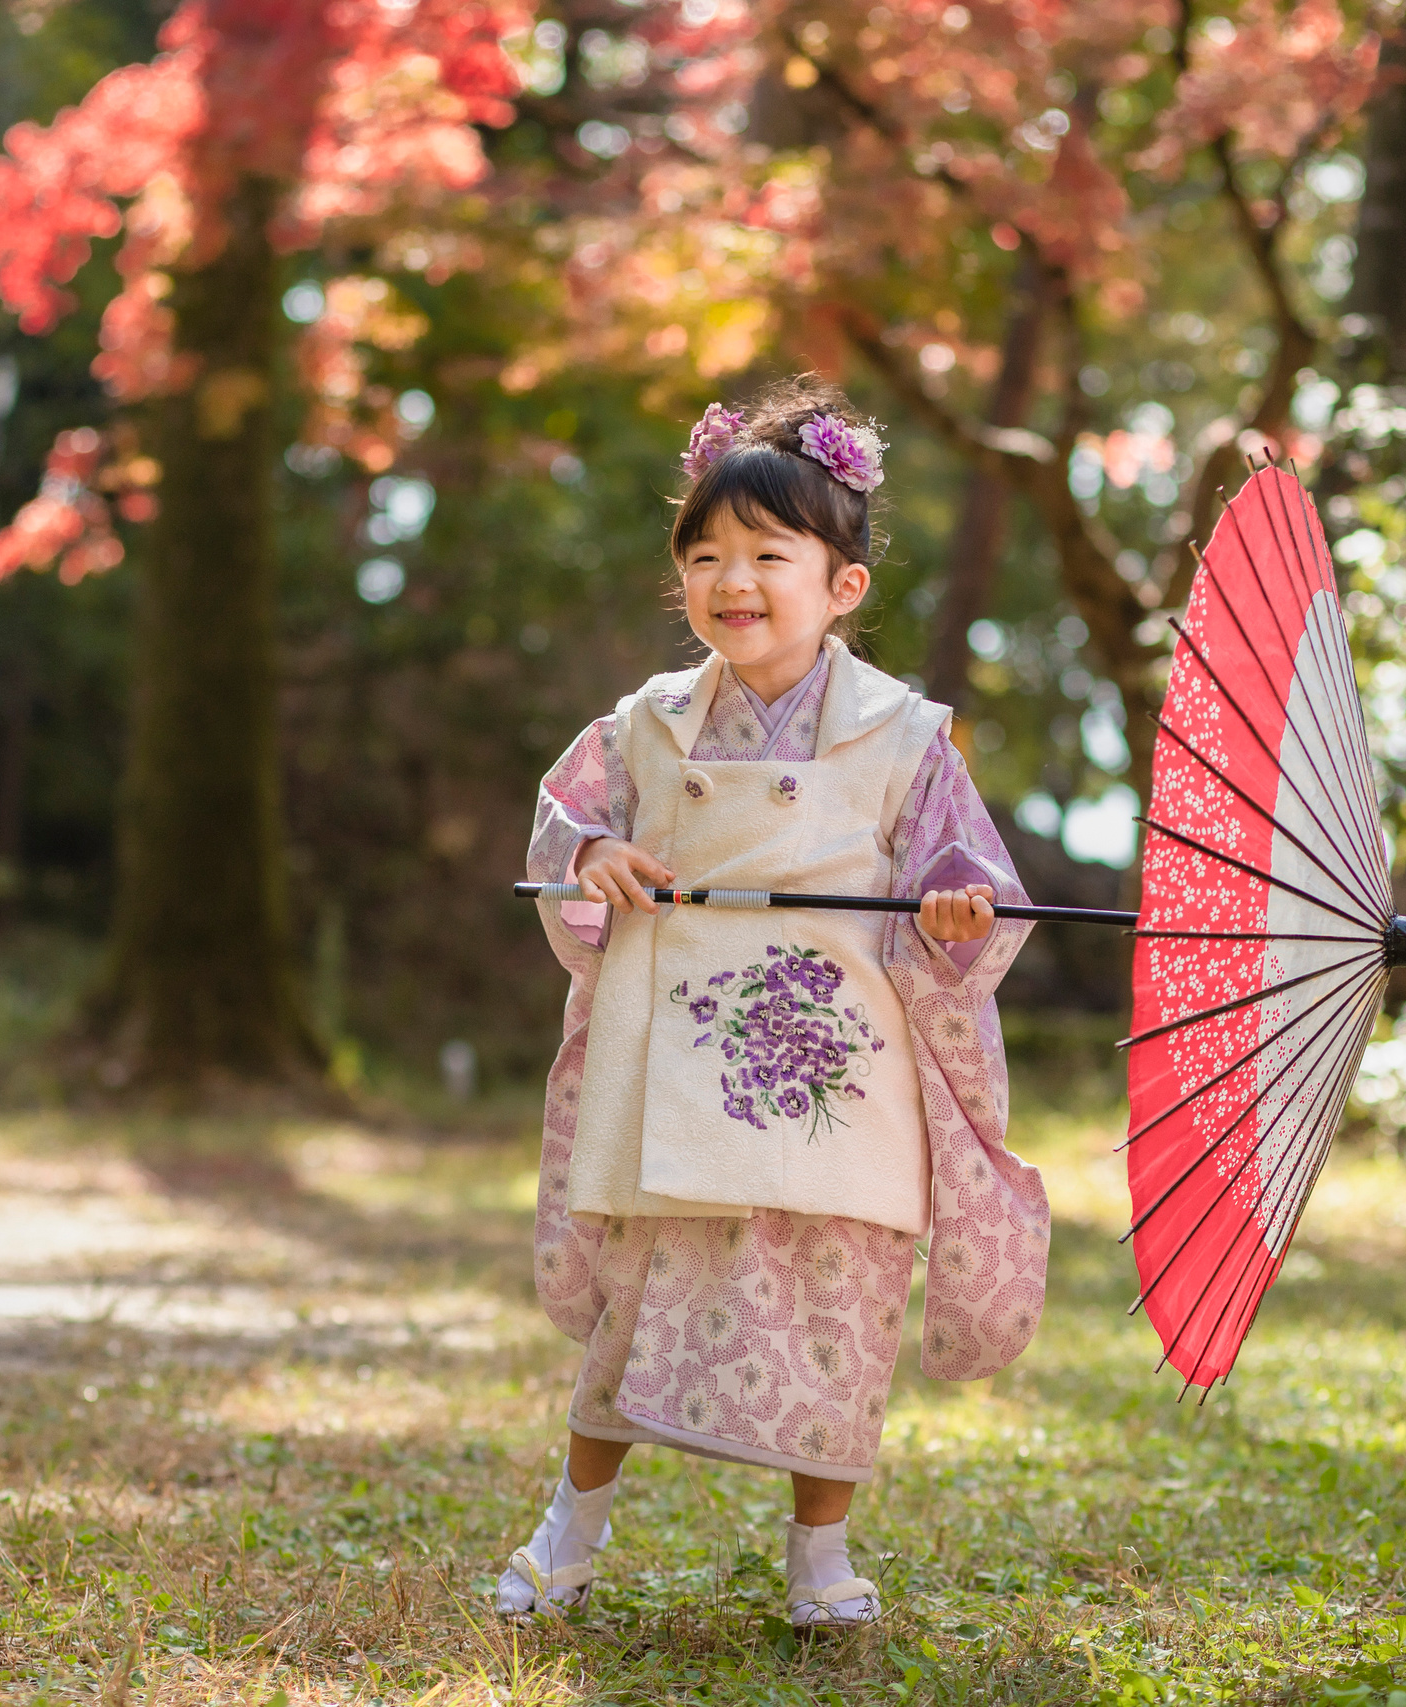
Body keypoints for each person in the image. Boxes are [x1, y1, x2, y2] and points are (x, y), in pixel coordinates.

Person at [503, 377, 1053, 1633]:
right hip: (677, 1053)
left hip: (829, 1062)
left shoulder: (904, 735)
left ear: (841, 584)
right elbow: (567, 826)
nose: (730, 580)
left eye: (766, 554)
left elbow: (964, 873)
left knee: (837, 1302)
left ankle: (821, 1554)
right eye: (704, 556)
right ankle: (568, 1531)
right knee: (641, 1298)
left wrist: (954, 907)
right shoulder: (644, 726)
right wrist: (595, 856)